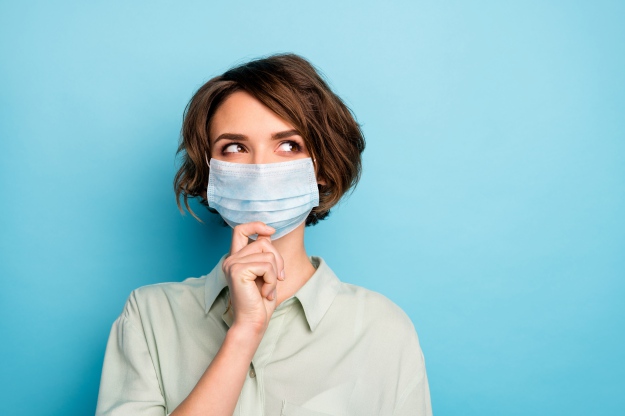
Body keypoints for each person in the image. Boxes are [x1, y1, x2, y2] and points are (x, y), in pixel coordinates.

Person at [95, 53, 432, 416]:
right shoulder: (149, 316)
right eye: (234, 147)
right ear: (210, 174)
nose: (260, 169)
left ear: (321, 168)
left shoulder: (382, 330)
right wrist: (244, 334)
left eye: (289, 145)